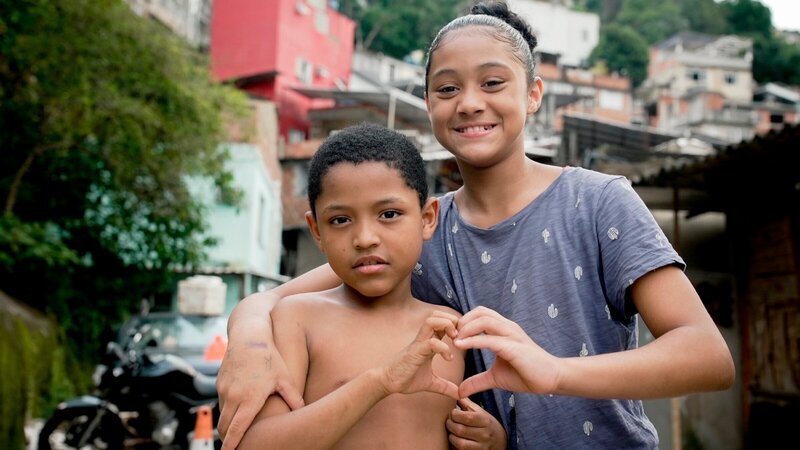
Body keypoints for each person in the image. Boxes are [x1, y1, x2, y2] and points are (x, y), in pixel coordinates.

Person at [218, 2, 736, 449]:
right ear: (429, 104)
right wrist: (248, 348)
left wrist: (556, 371)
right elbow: (268, 301)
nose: (469, 103)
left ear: (533, 94)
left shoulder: (598, 201)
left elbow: (707, 356)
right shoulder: (419, 230)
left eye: (492, 82)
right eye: (447, 88)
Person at [237, 122, 481, 449]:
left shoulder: (449, 328)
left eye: (389, 214)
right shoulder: (297, 319)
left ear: (427, 219)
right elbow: (255, 444)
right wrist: (380, 382)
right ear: (316, 230)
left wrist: (491, 439)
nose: (365, 238)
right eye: (340, 220)